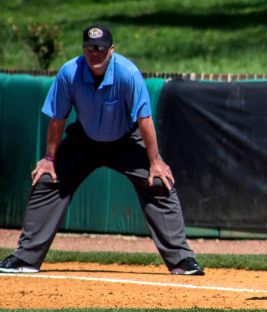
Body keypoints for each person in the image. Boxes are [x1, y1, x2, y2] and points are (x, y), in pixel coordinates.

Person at [0, 24, 204, 276]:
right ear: (83, 49)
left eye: (100, 48)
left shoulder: (127, 73)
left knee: (160, 182)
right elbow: (57, 118)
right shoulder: (69, 72)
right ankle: (25, 259)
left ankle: (182, 261)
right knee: (47, 179)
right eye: (89, 48)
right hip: (84, 139)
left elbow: (144, 120)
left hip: (126, 140)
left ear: (111, 50)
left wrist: (155, 161)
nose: (94, 53)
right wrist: (49, 158)